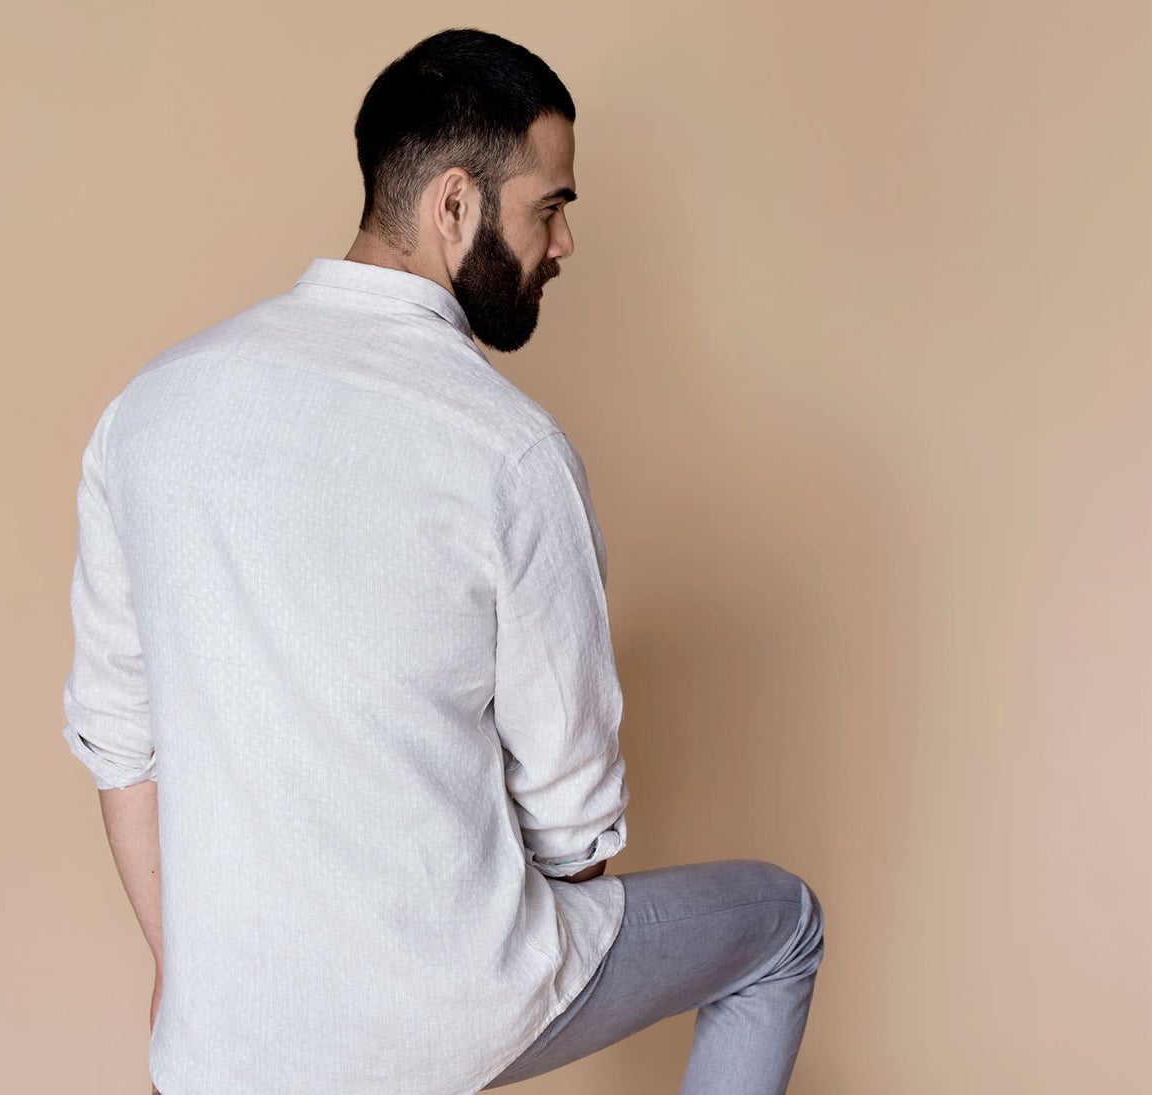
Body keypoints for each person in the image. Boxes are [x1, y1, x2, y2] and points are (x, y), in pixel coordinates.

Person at [58, 27, 824, 1095]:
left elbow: (119, 740)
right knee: (782, 924)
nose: (564, 243)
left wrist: (190, 982)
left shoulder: (148, 411)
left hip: (220, 1046)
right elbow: (573, 830)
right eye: (550, 206)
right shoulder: (509, 450)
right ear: (454, 205)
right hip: (445, 1016)